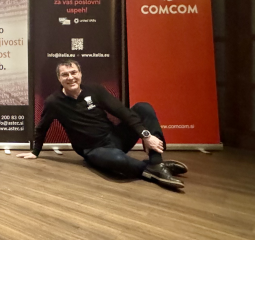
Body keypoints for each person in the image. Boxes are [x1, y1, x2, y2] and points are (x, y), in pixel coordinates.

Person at [17, 60, 188, 190]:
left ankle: (156, 162)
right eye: (65, 75)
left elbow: (122, 112)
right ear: (59, 78)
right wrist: (35, 152)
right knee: (118, 161)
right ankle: (153, 170)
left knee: (143, 107)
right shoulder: (53, 102)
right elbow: (42, 127)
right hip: (94, 150)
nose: (70, 77)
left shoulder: (95, 90)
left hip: (115, 138)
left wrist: (145, 135)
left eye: (73, 72)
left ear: (80, 74)